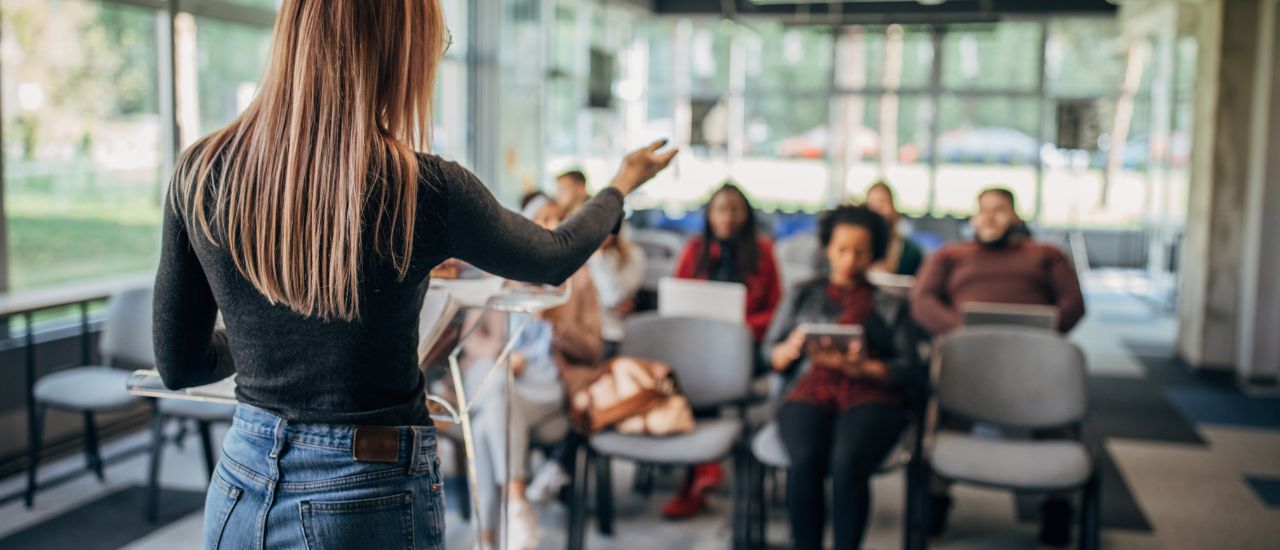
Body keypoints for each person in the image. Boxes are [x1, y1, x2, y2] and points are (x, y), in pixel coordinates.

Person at [151, 2, 678, 548]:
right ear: (397, 51)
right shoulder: (422, 189)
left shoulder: (200, 171)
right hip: (362, 493)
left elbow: (180, 364)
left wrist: (267, 343)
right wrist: (620, 185)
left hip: (240, 481)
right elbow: (554, 255)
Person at [909, 187, 1086, 548]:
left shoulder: (1046, 255)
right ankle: (937, 501)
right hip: (968, 360)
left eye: (999, 210)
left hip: (1034, 362)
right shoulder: (951, 255)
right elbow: (921, 300)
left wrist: (1042, 335)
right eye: (983, 210)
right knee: (949, 417)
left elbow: (1073, 304)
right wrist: (962, 333)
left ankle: (1058, 508)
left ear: (1017, 217)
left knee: (1055, 423)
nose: (989, 217)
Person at [767, 204, 924, 550]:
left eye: (860, 251)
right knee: (805, 459)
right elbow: (769, 354)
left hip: (872, 393)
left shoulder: (890, 303)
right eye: (841, 249)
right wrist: (789, 349)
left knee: (847, 462)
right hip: (809, 388)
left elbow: (910, 369)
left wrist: (863, 368)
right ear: (827, 248)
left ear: (875, 254)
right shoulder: (803, 293)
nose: (849, 259)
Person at [466, 196, 603, 550]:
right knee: (496, 395)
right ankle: (517, 509)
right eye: (540, 218)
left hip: (549, 389)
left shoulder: (579, 281)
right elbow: (471, 342)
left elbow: (593, 350)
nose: (547, 226)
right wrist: (502, 354)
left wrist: (557, 325)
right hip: (504, 384)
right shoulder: (500, 276)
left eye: (556, 219)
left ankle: (489, 539)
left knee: (487, 420)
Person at [666, 182, 782, 518]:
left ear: (746, 215)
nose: (727, 217)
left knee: (706, 374)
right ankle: (699, 471)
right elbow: (677, 300)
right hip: (697, 346)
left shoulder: (763, 251)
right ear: (709, 214)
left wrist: (738, 325)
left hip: (746, 345)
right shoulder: (694, 250)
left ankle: (700, 473)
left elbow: (776, 310)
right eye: (720, 209)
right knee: (687, 372)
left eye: (734, 209)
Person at [588, 227, 646, 358]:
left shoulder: (634, 256)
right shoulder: (580, 258)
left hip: (613, 330)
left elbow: (613, 298)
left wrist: (598, 259)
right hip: (587, 330)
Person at [863, 180, 926, 276]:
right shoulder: (857, 248)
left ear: (893, 207)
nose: (877, 209)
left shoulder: (911, 253)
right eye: (871, 205)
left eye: (882, 202)